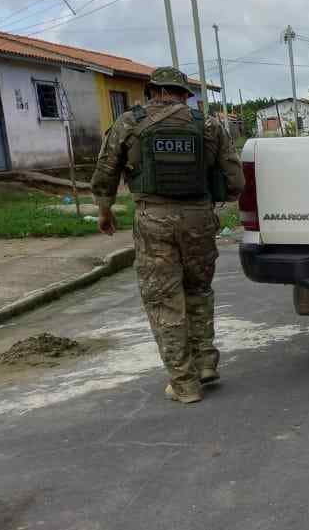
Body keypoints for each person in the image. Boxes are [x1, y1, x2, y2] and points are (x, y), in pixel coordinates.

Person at [91, 67, 244, 404]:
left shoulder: (129, 122)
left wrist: (104, 209)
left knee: (164, 299)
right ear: (185, 94)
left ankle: (184, 383)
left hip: (153, 220)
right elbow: (234, 179)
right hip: (199, 220)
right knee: (198, 290)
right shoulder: (208, 124)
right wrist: (216, 201)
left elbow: (106, 169)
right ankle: (204, 363)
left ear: (152, 91)